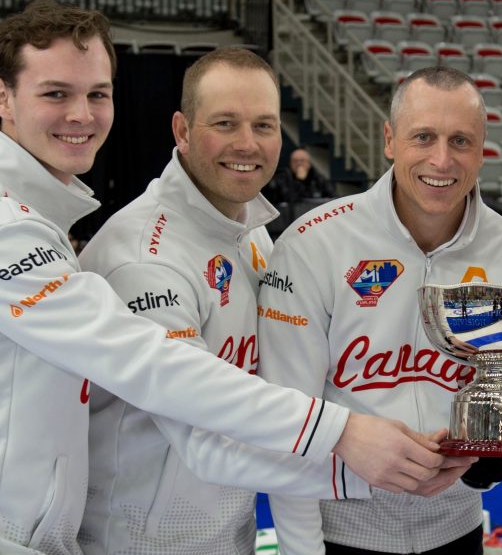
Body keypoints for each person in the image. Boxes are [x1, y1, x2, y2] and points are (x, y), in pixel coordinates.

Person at [0, 0, 448, 555]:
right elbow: (153, 367)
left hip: (59, 536)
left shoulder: (246, 234)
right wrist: (350, 446)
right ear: (2, 97)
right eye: (55, 93)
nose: (82, 114)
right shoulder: (5, 232)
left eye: (97, 94)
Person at [76, 47, 387, 555]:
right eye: (225, 123)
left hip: (228, 533)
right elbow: (206, 445)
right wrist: (367, 464)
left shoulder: (250, 233)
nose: (248, 144)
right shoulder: (144, 259)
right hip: (139, 544)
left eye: (264, 126)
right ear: (182, 130)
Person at [257, 66, 502, 555]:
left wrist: (489, 466)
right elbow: (288, 419)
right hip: (336, 534)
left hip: (457, 530)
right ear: (390, 139)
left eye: (461, 140)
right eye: (423, 137)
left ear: (483, 150)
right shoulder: (313, 243)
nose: (442, 159)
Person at [264, 147, 335, 204]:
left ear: (309, 163)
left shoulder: (319, 179)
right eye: (295, 161)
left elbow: (331, 198)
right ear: (290, 164)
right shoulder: (281, 180)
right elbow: (292, 200)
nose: (299, 164)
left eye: (302, 160)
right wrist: (299, 181)